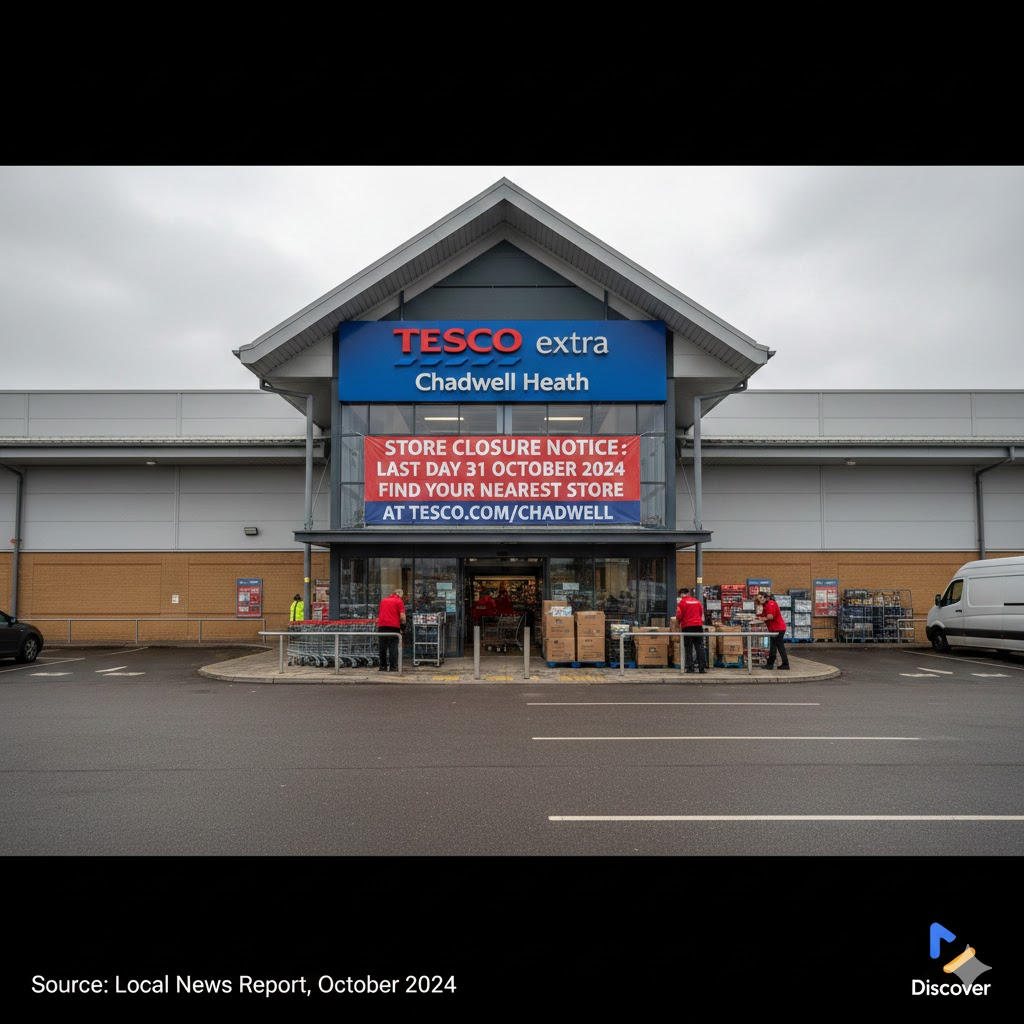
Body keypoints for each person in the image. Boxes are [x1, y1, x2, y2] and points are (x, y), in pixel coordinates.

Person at [755, 590, 790, 669]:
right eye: (758, 598)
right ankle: (771, 663)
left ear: (765, 597)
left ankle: (784, 664)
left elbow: (770, 616)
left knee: (779, 646)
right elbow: (762, 615)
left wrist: (761, 618)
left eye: (761, 597)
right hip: (775, 628)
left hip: (777, 628)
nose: (760, 599)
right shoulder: (765, 605)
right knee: (774, 646)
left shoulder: (771, 604)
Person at [676, 587, 707, 673]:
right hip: (698, 626)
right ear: (688, 593)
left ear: (682, 594)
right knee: (699, 647)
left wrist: (678, 624)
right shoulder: (697, 602)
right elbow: (701, 613)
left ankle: (690, 667)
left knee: (688, 648)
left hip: (687, 626)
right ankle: (702, 667)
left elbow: (679, 615)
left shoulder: (682, 603)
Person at [377, 587, 406, 671]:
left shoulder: (383, 600)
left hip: (382, 625)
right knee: (393, 646)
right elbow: (402, 616)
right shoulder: (399, 601)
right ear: (400, 595)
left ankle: (382, 666)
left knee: (382, 646)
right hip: (393, 626)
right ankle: (393, 666)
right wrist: (403, 626)